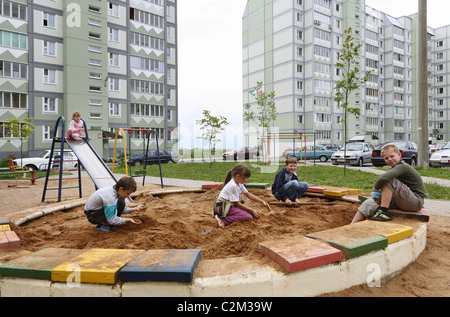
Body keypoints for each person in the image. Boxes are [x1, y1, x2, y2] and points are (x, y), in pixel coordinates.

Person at [352, 144, 429, 223]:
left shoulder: (403, 166)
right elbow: (387, 188)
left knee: (388, 180)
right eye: (386, 158)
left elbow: (384, 178)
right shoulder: (393, 169)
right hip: (402, 200)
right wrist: (377, 198)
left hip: (416, 202)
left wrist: (375, 190)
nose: (390, 159)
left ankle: (384, 213)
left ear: (399, 154)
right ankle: (351, 227)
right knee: (368, 203)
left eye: (392, 156)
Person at [214, 163, 271, 227]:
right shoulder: (233, 186)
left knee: (251, 214)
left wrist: (262, 201)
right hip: (223, 207)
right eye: (245, 178)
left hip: (230, 205)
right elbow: (237, 203)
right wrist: (252, 210)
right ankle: (224, 220)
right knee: (248, 217)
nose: (246, 180)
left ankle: (228, 216)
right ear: (238, 176)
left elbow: (248, 194)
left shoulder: (239, 183)